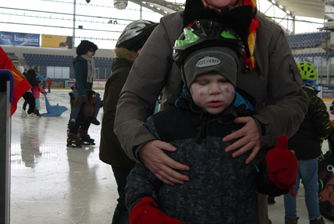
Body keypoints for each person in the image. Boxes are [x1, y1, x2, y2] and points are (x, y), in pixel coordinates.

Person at [114, 0, 309, 223]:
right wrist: (142, 144)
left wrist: (263, 125)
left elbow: (294, 99)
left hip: (242, 182)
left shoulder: (268, 35)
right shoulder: (170, 29)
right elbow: (133, 99)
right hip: (177, 182)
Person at [125, 23, 298, 224]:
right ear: (188, 85)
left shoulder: (247, 126)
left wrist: (278, 176)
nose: (214, 90)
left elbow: (261, 183)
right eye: (203, 83)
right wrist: (144, 211)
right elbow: (140, 179)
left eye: (224, 81)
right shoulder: (163, 126)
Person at [99, 20, 158, 224]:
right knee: (127, 201)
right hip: (125, 152)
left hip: (129, 148)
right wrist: (130, 151)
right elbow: (114, 117)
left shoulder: (137, 72)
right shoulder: (126, 74)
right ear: (138, 48)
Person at [283, 61, 331, 224]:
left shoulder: (287, 98)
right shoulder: (316, 102)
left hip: (289, 151)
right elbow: (324, 128)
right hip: (309, 152)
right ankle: (315, 219)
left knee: (291, 188)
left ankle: (290, 219)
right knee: (311, 187)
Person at [67, 40, 101, 148]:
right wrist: (82, 94)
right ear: (85, 50)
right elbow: (78, 79)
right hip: (80, 90)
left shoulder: (89, 62)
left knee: (91, 109)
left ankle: (84, 129)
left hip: (87, 90)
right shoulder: (80, 61)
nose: (93, 53)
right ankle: (72, 133)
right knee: (79, 110)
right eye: (91, 51)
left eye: (93, 51)